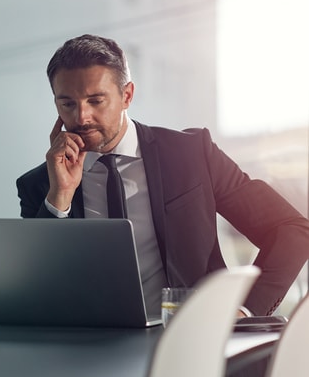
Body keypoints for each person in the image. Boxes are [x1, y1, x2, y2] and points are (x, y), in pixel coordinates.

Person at [16, 34, 309, 317]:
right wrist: (60, 198)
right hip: (87, 353)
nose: (81, 117)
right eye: (67, 104)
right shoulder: (40, 185)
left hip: (189, 343)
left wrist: (245, 310)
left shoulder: (192, 154)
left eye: (95, 101)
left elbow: (291, 230)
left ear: (127, 95)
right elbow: (36, 290)